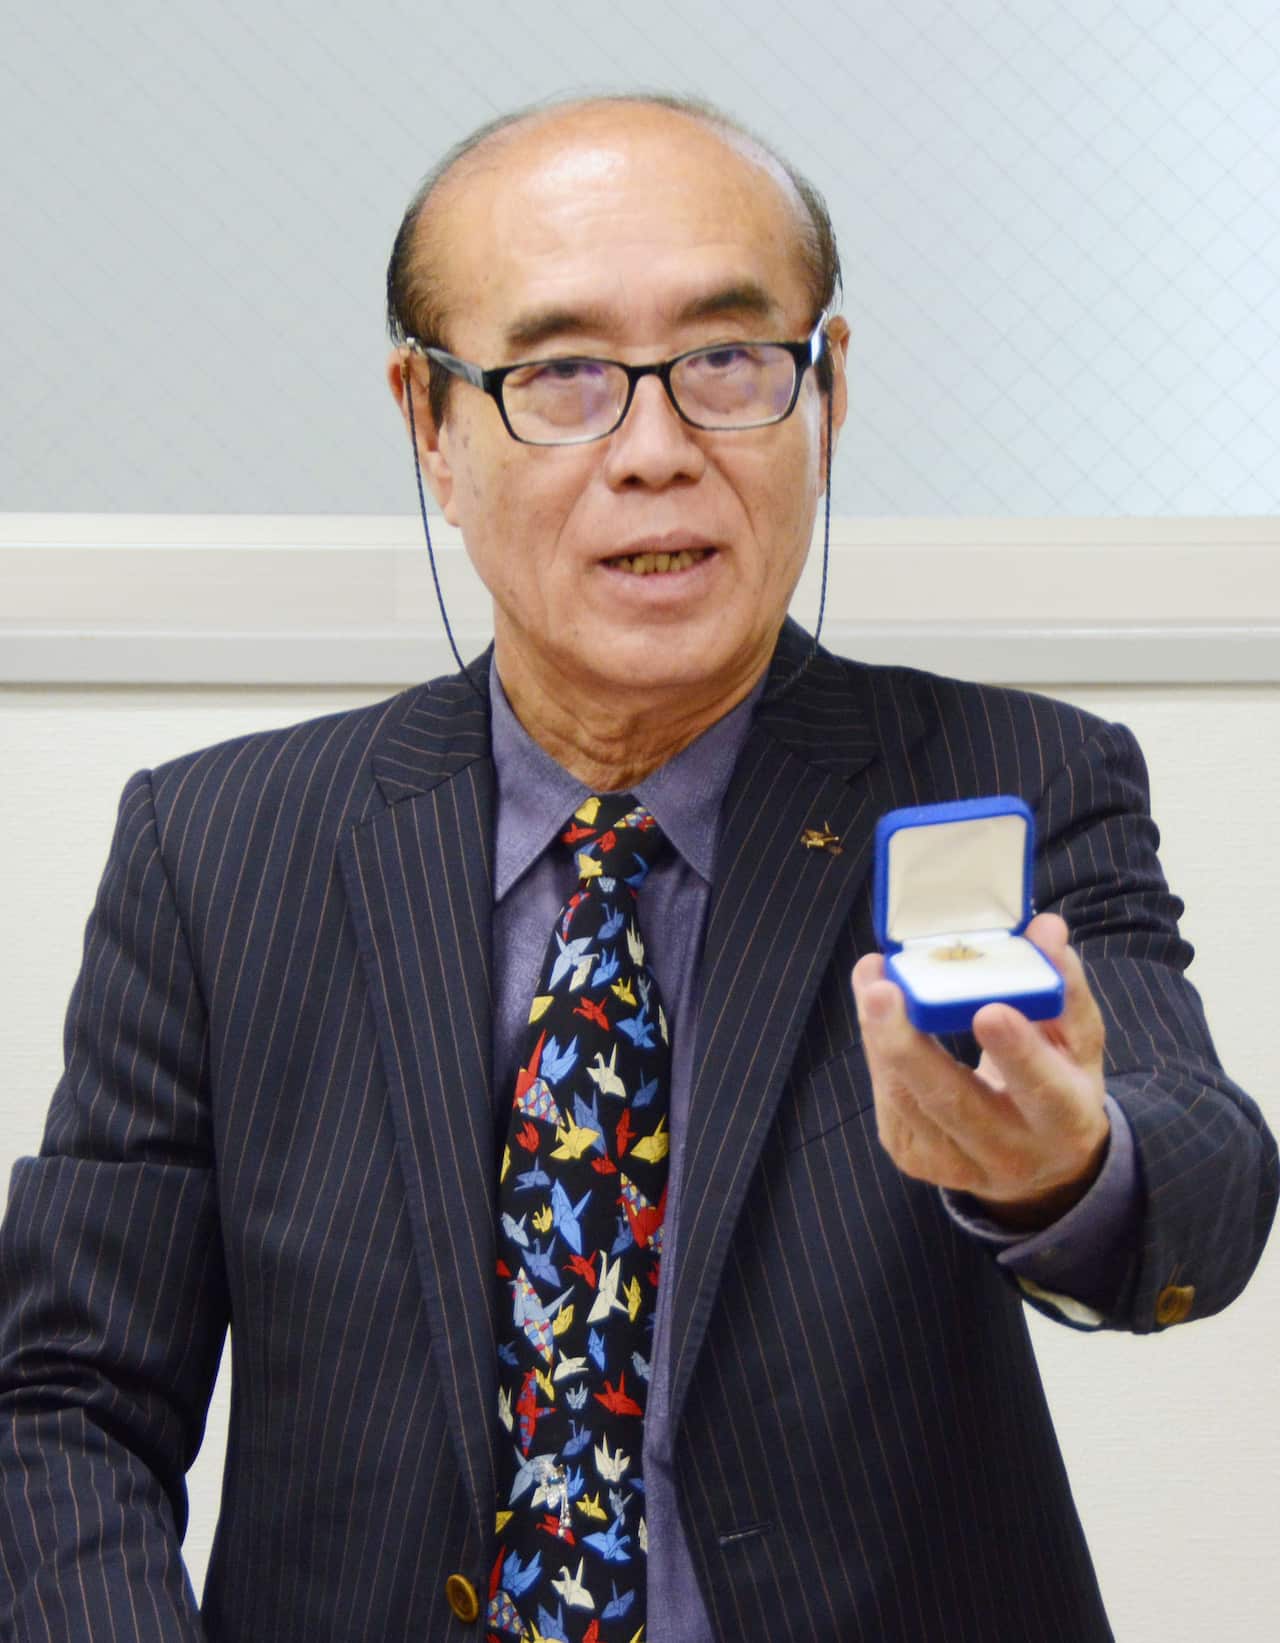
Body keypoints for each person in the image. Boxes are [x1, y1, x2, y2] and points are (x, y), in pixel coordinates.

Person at [1, 92, 1274, 1643]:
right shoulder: (218, 850)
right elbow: (64, 1398)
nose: (656, 452)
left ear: (830, 391)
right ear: (429, 420)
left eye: (729, 363)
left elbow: (1201, 1187)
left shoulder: (1008, 783)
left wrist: (1066, 1170)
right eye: (563, 377)